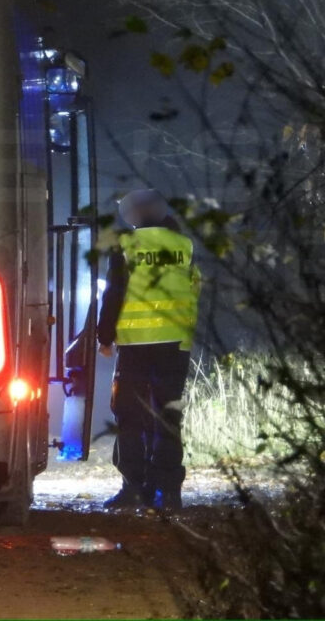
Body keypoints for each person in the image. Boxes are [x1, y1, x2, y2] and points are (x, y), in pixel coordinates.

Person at [97, 189, 201, 511]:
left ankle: (133, 488)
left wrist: (104, 337)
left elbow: (114, 293)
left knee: (130, 417)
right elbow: (194, 288)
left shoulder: (126, 247)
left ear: (132, 215)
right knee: (168, 416)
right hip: (175, 344)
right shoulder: (184, 245)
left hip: (135, 344)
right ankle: (168, 492)